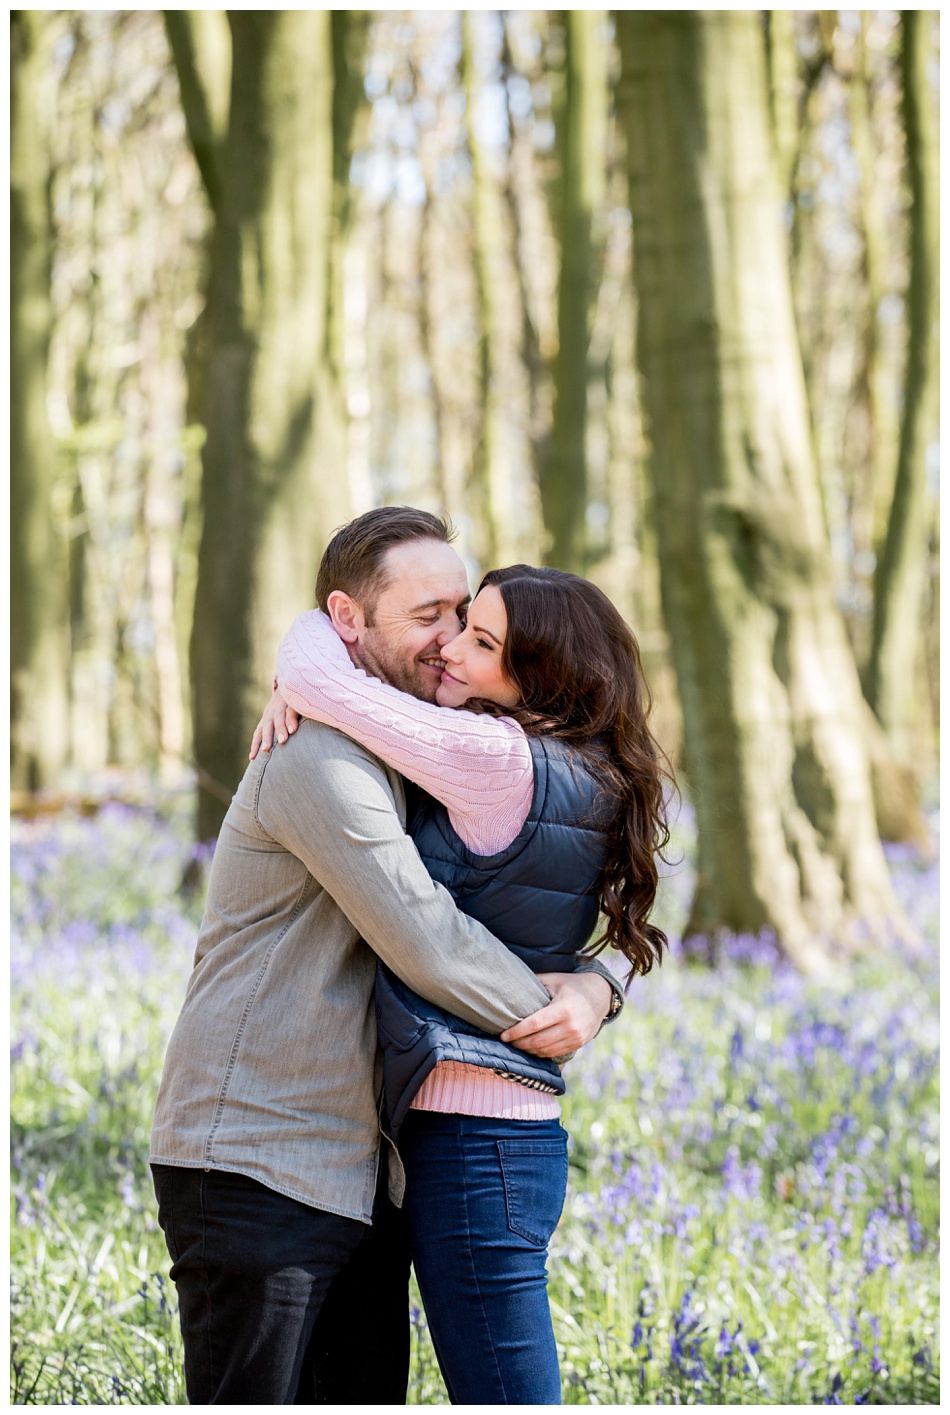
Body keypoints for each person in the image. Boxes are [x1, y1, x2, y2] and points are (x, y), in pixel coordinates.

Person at [149, 507, 620, 1406]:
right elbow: (424, 937)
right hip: (257, 1156)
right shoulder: (317, 757)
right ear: (348, 621)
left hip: (362, 1167)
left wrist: (600, 981)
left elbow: (597, 874)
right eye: (428, 617)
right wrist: (551, 1009)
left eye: (463, 615)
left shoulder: (412, 748)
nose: (451, 642)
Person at [255, 555, 672, 1404]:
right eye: (457, 624)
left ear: (537, 678)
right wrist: (594, 985)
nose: (450, 650)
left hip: (472, 1137)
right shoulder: (577, 765)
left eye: (482, 642)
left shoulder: (493, 758)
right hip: (487, 1133)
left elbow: (316, 671)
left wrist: (306, 648)